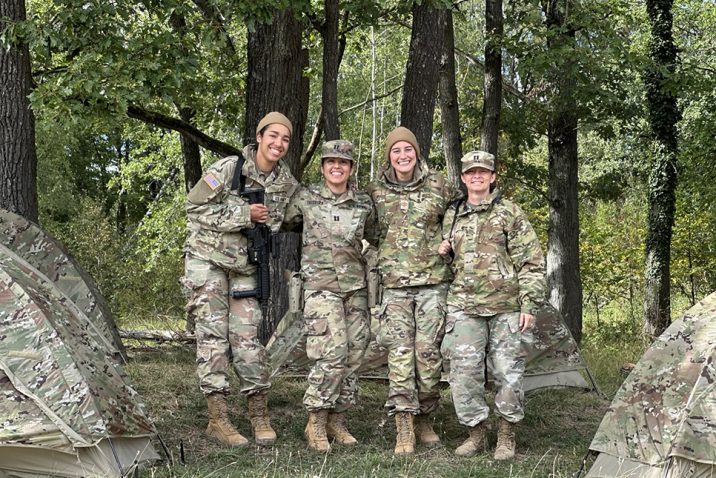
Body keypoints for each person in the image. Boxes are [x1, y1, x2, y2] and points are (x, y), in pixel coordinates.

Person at [183, 112, 299, 447]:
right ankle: (217, 418)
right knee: (213, 338)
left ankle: (258, 413)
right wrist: (242, 215)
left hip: (247, 267)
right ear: (259, 137)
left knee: (248, 339)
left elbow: (295, 217)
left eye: (285, 139)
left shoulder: (286, 184)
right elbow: (193, 208)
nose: (278, 143)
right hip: (209, 262)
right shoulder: (228, 170)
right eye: (273, 136)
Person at [438, 151, 546, 460]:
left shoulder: (509, 212)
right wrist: (443, 252)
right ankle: (475, 433)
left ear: (492, 176)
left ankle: (506, 436)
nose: (477, 176)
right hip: (464, 306)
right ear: (462, 177)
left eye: (483, 171)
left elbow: (531, 261)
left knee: (508, 373)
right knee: (463, 374)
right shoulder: (453, 214)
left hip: (506, 307)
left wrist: (529, 304)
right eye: (471, 171)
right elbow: (445, 263)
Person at [367, 126, 456, 455]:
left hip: (433, 286)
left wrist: (450, 242)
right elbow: (369, 230)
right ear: (389, 156)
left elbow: (458, 220)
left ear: (417, 152)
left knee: (428, 356)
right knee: (400, 356)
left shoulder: (440, 185)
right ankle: (404, 426)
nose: (402, 156)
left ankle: (425, 419)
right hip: (395, 288)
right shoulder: (375, 190)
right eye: (395, 151)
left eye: (408, 149)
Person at [283, 140, 374, 452]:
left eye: (344, 163)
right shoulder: (305, 198)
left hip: (355, 290)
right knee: (331, 354)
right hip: (321, 288)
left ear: (351, 168)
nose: (337, 167)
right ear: (322, 167)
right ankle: (316, 421)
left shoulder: (362, 203)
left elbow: (375, 237)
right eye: (331, 162)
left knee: (355, 353)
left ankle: (338, 419)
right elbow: (282, 221)